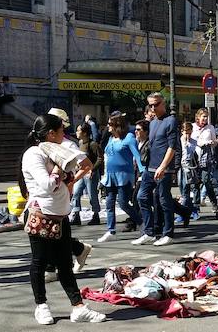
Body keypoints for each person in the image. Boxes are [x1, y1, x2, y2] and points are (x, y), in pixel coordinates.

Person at [19, 114, 105, 324]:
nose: (63, 135)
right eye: (60, 132)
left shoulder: (56, 149)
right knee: (39, 263)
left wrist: (67, 170)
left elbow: (75, 170)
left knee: (65, 264)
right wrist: (60, 166)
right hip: (41, 215)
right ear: (51, 134)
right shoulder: (33, 154)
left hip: (60, 216)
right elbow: (47, 185)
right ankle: (41, 306)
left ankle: (78, 306)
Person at [134, 93, 184, 247]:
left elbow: (172, 147)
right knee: (141, 197)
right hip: (150, 167)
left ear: (164, 103)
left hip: (164, 168)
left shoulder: (171, 121)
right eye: (151, 105)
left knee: (164, 200)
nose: (153, 107)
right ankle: (149, 232)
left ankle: (168, 233)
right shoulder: (153, 122)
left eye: (156, 104)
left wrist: (164, 166)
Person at [97, 114, 145, 243]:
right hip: (110, 175)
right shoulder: (111, 138)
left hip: (124, 175)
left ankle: (141, 223)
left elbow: (137, 155)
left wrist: (142, 171)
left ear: (117, 125)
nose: (108, 126)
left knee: (123, 203)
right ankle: (111, 230)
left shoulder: (129, 138)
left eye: (110, 124)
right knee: (109, 203)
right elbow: (107, 156)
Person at [70, 123, 103, 226]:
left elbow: (100, 158)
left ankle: (96, 214)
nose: (76, 132)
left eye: (78, 130)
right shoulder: (80, 143)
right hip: (81, 172)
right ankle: (76, 213)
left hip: (90, 174)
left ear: (84, 133)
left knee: (92, 194)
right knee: (76, 192)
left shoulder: (93, 144)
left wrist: (93, 169)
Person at [191, 108, 218, 217]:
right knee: (195, 183)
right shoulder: (192, 127)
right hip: (194, 157)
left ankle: (214, 204)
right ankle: (195, 208)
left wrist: (213, 142)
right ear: (198, 117)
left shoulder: (210, 128)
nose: (205, 119)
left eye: (206, 117)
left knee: (206, 180)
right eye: (203, 116)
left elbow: (214, 142)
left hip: (206, 157)